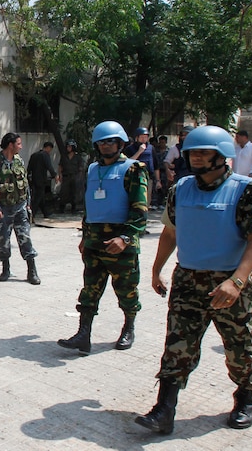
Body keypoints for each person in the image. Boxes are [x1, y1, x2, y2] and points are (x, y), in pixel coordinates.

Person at [135, 125, 252, 434]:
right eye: (192, 152)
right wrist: (156, 270)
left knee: (240, 348)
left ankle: (246, 398)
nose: (196, 157)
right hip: (188, 281)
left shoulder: (246, 190)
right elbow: (171, 233)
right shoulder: (181, 188)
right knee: (177, 346)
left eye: (203, 152)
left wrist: (237, 281)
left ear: (222, 156)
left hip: (231, 285)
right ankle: (164, 408)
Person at [58, 121, 148, 354]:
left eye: (111, 141)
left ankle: (128, 328)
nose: (106, 145)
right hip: (94, 241)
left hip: (121, 242)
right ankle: (83, 335)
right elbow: (90, 206)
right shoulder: (92, 169)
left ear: (120, 143)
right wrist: (84, 235)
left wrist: (126, 238)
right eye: (102, 142)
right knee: (90, 290)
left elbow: (140, 211)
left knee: (126, 290)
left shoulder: (134, 169)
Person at [0, 133, 41, 285]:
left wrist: (28, 203)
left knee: (25, 238)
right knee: (3, 240)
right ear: (10, 145)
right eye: (18, 144)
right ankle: (5, 269)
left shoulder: (19, 160)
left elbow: (25, 184)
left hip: (20, 207)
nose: (21, 146)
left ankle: (32, 270)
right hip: (3, 209)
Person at [124, 127, 162, 208]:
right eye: (142, 137)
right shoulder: (129, 149)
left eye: (146, 137)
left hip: (148, 177)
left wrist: (158, 181)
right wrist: (139, 152)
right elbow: (127, 163)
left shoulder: (151, 148)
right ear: (136, 138)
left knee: (146, 200)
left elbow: (156, 165)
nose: (144, 139)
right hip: (134, 177)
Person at [28, 141, 57, 219]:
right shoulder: (45, 155)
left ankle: (45, 213)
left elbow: (29, 168)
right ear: (48, 148)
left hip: (34, 179)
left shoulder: (33, 155)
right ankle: (32, 214)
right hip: (41, 179)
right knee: (38, 197)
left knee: (40, 196)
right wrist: (54, 175)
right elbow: (49, 166)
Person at [58, 139, 85, 213]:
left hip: (74, 176)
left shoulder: (77, 157)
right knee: (64, 193)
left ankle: (73, 208)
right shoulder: (64, 157)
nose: (68, 148)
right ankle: (61, 208)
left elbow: (81, 168)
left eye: (70, 147)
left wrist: (79, 177)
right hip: (66, 176)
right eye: (67, 147)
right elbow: (60, 166)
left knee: (74, 192)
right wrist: (60, 175)